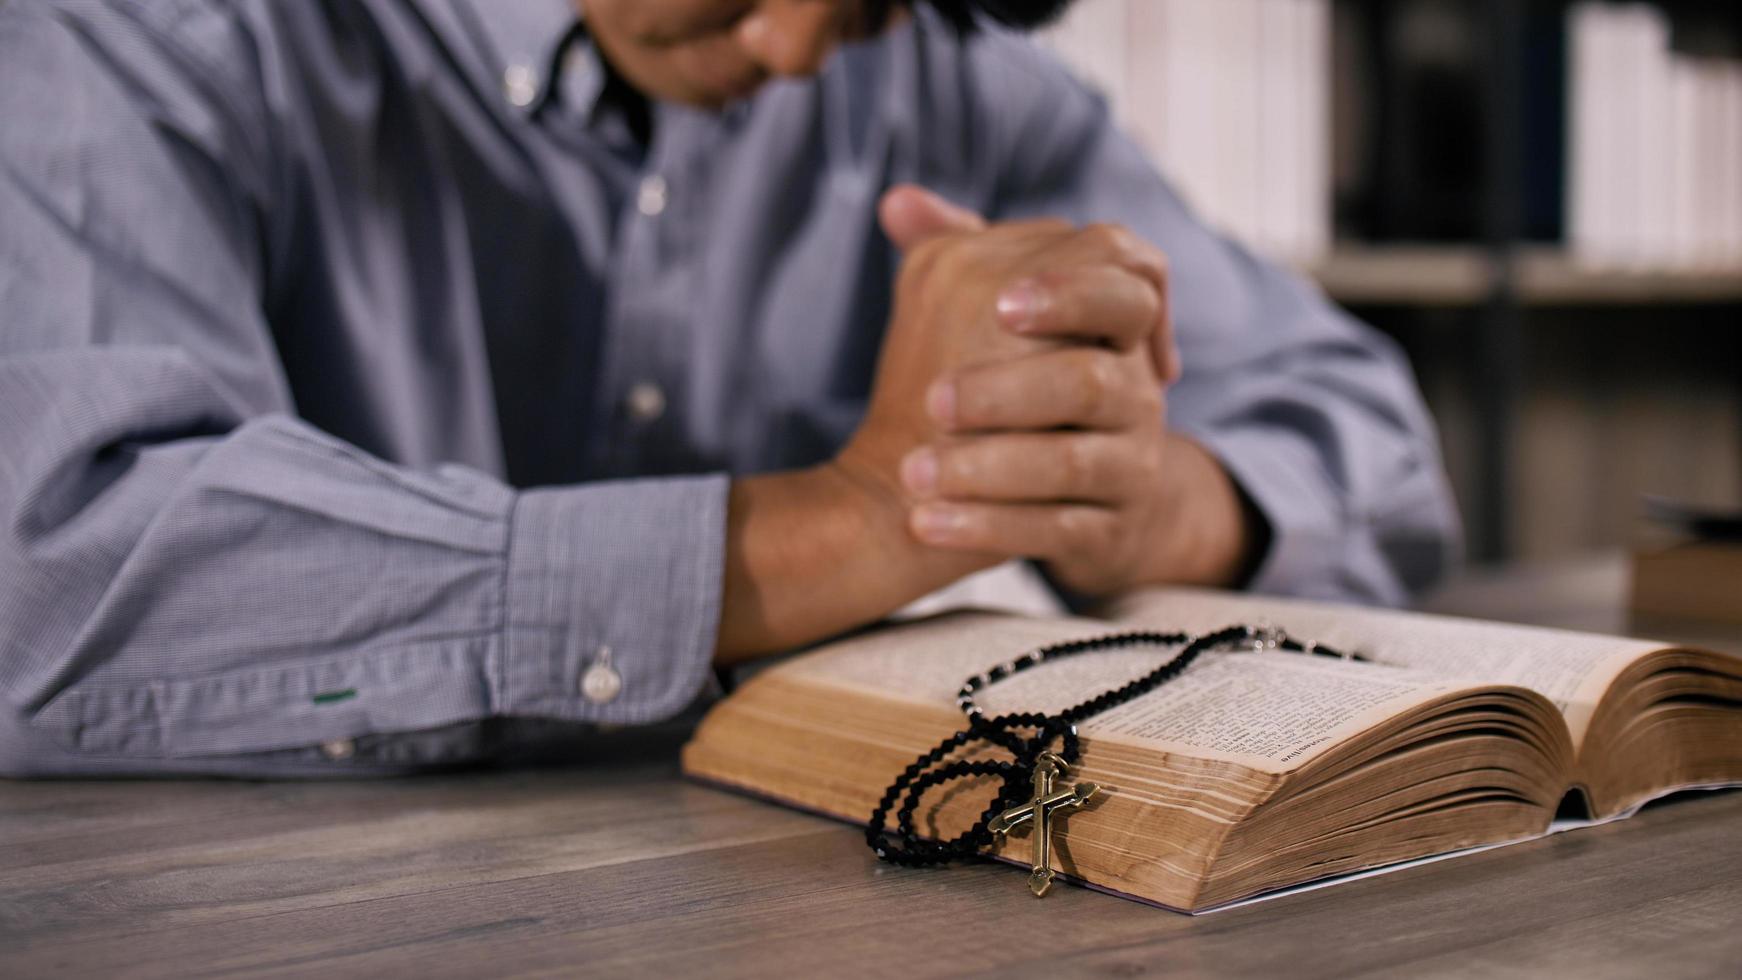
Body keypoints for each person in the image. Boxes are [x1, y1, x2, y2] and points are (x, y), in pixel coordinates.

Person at [0, 0, 1459, 777]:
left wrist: (1145, 505)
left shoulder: (960, 85)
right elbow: (62, 570)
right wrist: (856, 518)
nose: (792, 47)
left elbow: (1374, 437)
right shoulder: (142, 34)